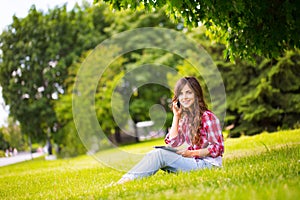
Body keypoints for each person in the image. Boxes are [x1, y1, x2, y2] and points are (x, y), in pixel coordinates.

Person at [116, 76, 224, 184]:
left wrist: (191, 153)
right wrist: (176, 116)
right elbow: (173, 142)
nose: (184, 97)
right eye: (181, 94)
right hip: (194, 161)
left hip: (208, 165)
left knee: (160, 155)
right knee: (155, 153)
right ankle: (126, 179)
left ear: (196, 94)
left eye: (188, 92)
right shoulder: (186, 119)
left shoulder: (208, 117)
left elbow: (218, 148)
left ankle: (127, 181)